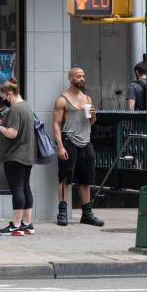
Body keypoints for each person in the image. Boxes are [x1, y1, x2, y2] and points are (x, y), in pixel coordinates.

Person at [52, 67, 104, 227]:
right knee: (65, 178)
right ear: (71, 78)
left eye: (83, 76)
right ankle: (62, 213)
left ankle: (87, 214)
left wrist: (94, 116)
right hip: (69, 140)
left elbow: (91, 122)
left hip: (86, 142)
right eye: (78, 76)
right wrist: (60, 147)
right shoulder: (62, 99)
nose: (82, 79)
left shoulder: (87, 98)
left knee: (86, 180)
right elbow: (55, 125)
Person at [0, 78, 36, 236]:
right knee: (25, 187)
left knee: (17, 190)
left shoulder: (15, 109)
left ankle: (15, 226)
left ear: (9, 93)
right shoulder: (26, 106)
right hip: (27, 155)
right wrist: (3, 123)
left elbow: (12, 133)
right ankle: (27, 224)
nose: (3, 101)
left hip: (15, 156)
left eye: (3, 98)